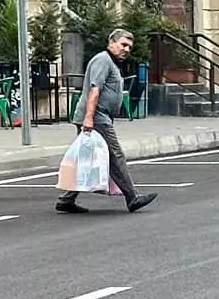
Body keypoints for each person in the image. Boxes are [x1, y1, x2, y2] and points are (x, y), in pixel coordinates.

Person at [57, 28, 156, 215]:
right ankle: (132, 197)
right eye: (123, 45)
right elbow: (95, 89)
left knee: (87, 159)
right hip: (97, 116)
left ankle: (66, 199)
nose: (126, 49)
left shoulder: (111, 62)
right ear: (112, 42)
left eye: (129, 47)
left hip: (100, 116)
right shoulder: (103, 60)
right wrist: (89, 117)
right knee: (115, 155)